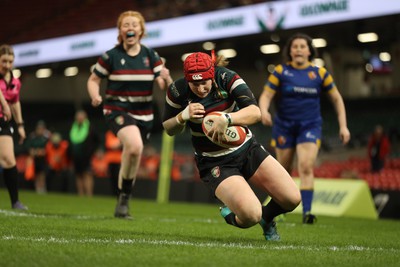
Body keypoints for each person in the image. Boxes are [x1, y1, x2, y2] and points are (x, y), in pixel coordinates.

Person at [162, 52, 301, 241]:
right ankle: (233, 215)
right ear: (187, 81)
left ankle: (267, 218)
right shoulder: (177, 91)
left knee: (292, 198)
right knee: (251, 215)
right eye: (195, 84)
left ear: (212, 74)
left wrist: (227, 118)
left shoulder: (226, 77)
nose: (201, 88)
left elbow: (255, 112)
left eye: (205, 82)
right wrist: (182, 117)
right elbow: (168, 129)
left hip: (247, 148)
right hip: (214, 162)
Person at [87, 10, 173, 218]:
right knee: (134, 146)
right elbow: (93, 80)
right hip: (116, 109)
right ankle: (123, 197)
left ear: (141, 31)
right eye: (126, 25)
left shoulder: (151, 56)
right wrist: (95, 96)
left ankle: (123, 198)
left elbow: (163, 85)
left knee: (133, 154)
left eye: (134, 24)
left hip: (144, 115)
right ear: (120, 31)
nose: (130, 28)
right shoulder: (111, 56)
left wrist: (167, 78)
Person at [258, 33, 351, 224]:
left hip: (310, 126)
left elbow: (336, 98)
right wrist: (264, 111)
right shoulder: (280, 72)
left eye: (302, 46)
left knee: (306, 166)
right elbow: (266, 95)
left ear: (309, 51)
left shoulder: (320, 73)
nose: (299, 49)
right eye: (295, 46)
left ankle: (307, 213)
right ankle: (278, 209)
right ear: (289, 51)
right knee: (283, 170)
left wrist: (343, 126)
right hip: (284, 126)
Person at [0, 44, 28, 210]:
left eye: (10, 61)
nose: (7, 65)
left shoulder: (15, 81)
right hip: (3, 114)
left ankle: (15, 201)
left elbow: (16, 102)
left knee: (9, 160)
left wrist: (20, 125)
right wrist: (3, 103)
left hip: (3, 122)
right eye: (4, 61)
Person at [69, 109, 99, 196]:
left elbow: (97, 140)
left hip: (87, 156)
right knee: (78, 174)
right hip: (76, 156)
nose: (79, 118)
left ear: (85, 118)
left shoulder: (90, 127)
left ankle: (89, 194)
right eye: (78, 117)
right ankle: (80, 194)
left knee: (87, 174)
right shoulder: (73, 127)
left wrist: (92, 151)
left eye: (81, 117)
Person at [26, 120, 50, 194]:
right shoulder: (32, 136)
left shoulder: (46, 137)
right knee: (36, 174)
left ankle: (42, 188)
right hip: (34, 159)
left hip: (43, 160)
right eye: (39, 128)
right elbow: (28, 147)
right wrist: (34, 152)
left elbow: (47, 149)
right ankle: (37, 189)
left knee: (42, 174)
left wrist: (41, 152)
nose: (40, 130)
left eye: (41, 128)